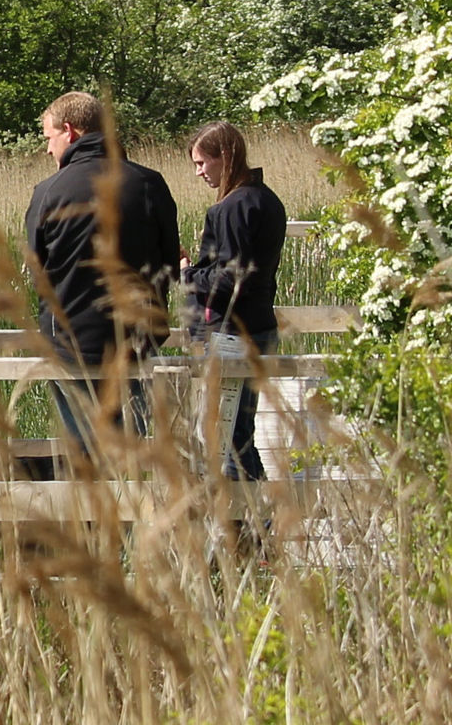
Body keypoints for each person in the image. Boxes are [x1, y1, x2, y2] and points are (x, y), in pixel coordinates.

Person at [25, 91, 181, 444]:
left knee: (84, 459)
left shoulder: (48, 192)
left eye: (49, 138)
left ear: (70, 131)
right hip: (135, 343)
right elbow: (169, 266)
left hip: (70, 346)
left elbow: (38, 270)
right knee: (131, 455)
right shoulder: (148, 184)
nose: (48, 149)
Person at [184, 120, 289, 481]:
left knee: (225, 436)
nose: (199, 173)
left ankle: (249, 527)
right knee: (236, 432)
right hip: (260, 327)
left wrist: (187, 273)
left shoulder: (230, 208)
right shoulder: (267, 199)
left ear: (225, 157)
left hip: (232, 333)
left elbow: (229, 278)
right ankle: (252, 524)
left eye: (202, 163)